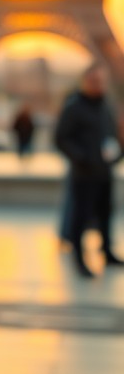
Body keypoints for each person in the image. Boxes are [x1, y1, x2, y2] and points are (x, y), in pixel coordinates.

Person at [54, 62, 124, 278]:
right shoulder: (74, 107)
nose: (98, 85)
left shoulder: (106, 106)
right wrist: (81, 158)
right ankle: (80, 259)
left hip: (104, 171)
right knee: (81, 217)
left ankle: (107, 251)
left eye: (101, 81)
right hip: (83, 173)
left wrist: (118, 153)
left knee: (105, 214)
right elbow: (61, 138)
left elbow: (112, 134)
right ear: (85, 82)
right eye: (94, 81)